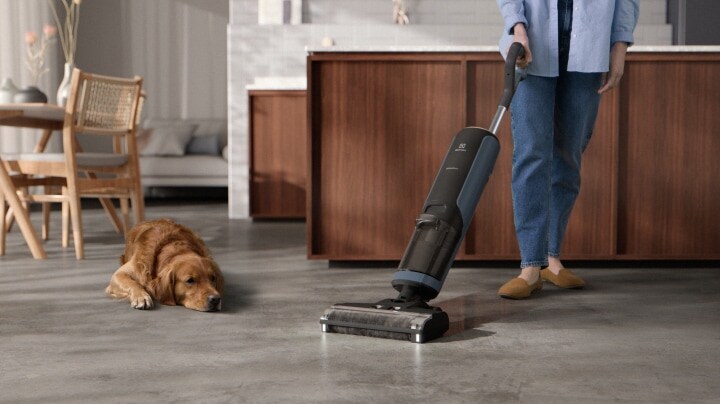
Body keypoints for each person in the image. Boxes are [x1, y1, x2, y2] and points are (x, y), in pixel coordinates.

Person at [495, 0, 639, 299]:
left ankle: (551, 256)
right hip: (531, 47)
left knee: (568, 156)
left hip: (589, 49)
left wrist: (620, 46)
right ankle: (530, 265)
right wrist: (517, 28)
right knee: (532, 154)